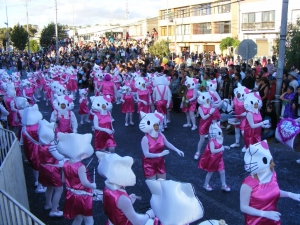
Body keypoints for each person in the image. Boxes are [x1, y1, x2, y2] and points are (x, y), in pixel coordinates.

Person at [240, 140, 300, 225]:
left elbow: (273, 192)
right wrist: (264, 214)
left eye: (272, 161)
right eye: (270, 162)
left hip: (272, 219)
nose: (273, 164)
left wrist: (290, 194)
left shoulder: (272, 175)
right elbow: (243, 207)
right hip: (256, 221)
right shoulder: (247, 185)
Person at [58, 133, 95, 225]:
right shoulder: (80, 167)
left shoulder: (65, 163)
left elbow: (63, 180)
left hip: (71, 194)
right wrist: (92, 185)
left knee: (78, 217)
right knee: (89, 220)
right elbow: (85, 183)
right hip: (82, 197)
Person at [139, 111, 184, 180]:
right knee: (154, 186)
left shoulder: (161, 135)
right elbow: (146, 154)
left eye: (158, 124)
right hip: (149, 164)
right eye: (155, 125)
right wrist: (160, 154)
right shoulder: (145, 139)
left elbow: (167, 143)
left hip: (160, 162)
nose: (157, 127)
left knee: (163, 183)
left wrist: (177, 150)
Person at [198, 122, 230, 192]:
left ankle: (223, 185)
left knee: (222, 171)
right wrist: (221, 149)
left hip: (219, 158)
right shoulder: (212, 141)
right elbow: (212, 151)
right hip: (213, 158)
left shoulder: (218, 139)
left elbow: (219, 146)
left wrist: (224, 147)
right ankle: (205, 184)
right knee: (210, 172)